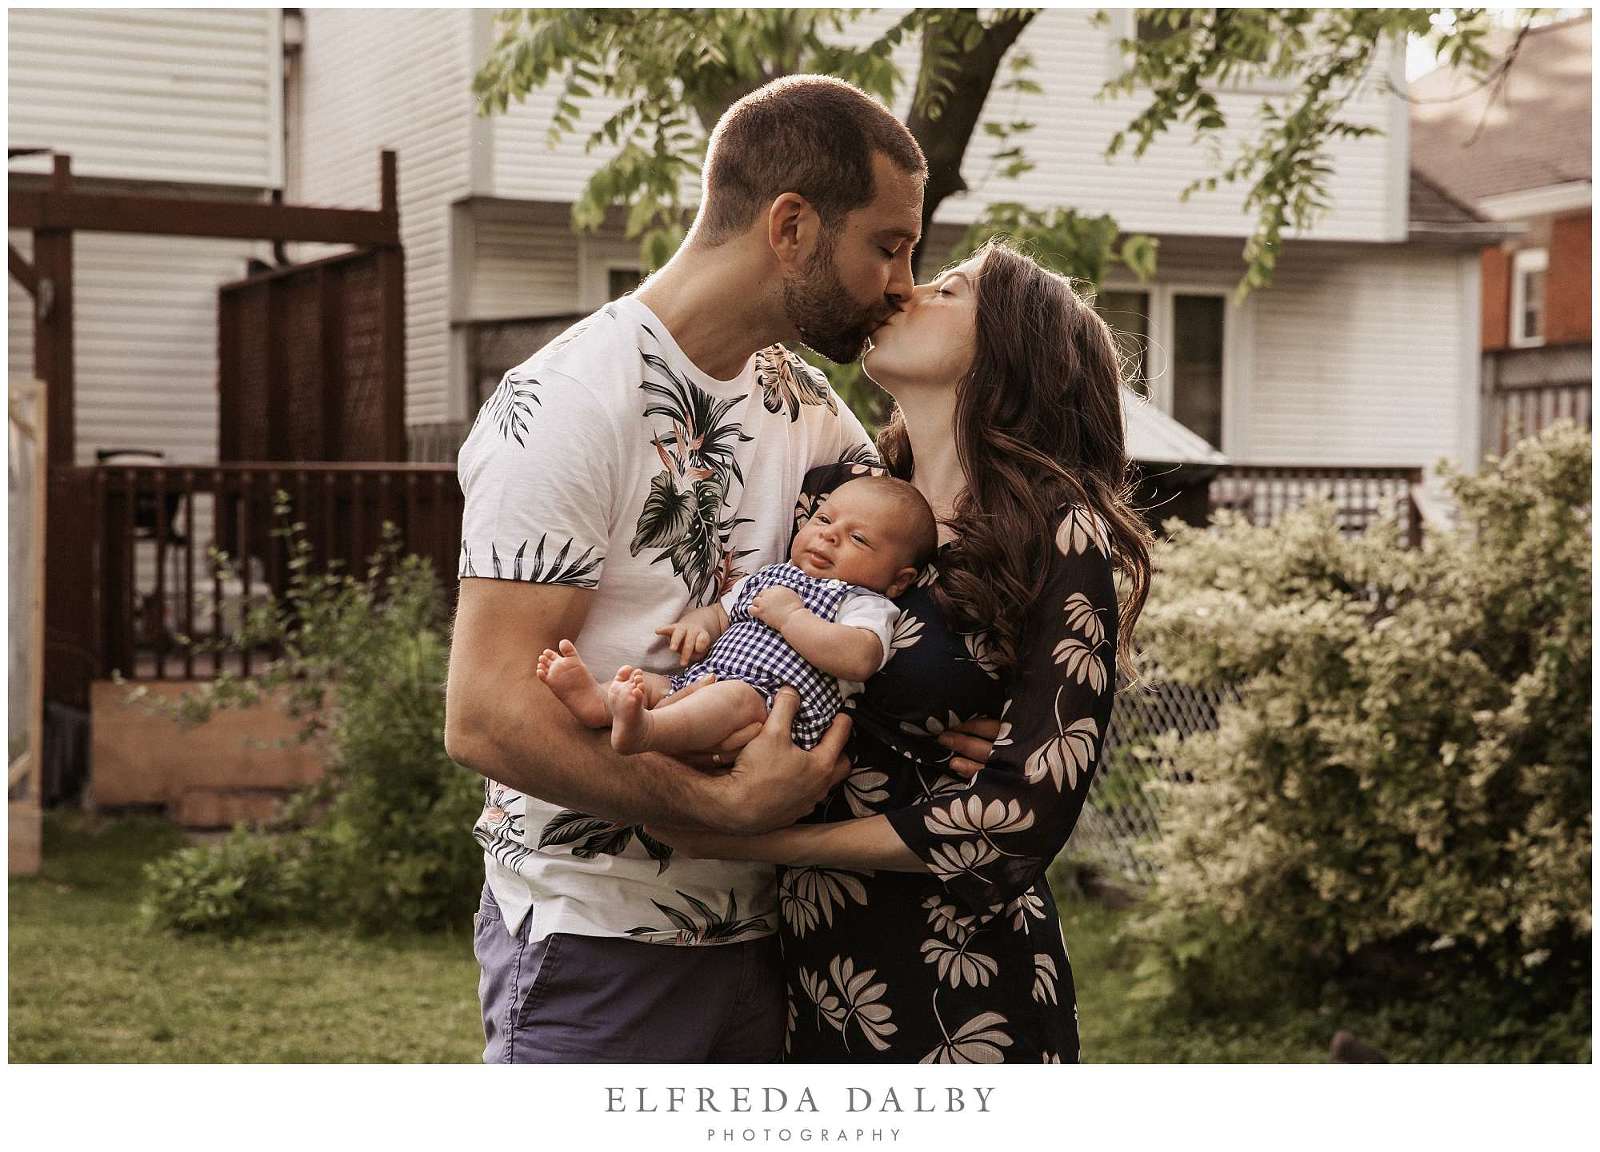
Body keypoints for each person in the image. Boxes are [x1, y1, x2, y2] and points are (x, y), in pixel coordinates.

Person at [445, 76, 999, 1063]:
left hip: (770, 943)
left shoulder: (804, 403)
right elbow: (486, 713)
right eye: (888, 244)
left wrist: (975, 714)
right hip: (601, 949)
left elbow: (916, 585)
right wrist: (720, 808)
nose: (904, 281)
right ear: (790, 226)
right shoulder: (569, 406)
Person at [648, 239, 1155, 1063]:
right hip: (811, 969)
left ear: (1011, 350)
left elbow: (1019, 817)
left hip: (964, 984)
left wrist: (756, 840)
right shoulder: (839, 498)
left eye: (948, 290)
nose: (907, 292)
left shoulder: (1056, 531)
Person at [538, 475, 937, 756]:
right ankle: (598, 702)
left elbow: (859, 658)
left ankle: (648, 731)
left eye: (859, 538)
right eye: (824, 520)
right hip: (705, 681)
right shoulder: (772, 576)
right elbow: (721, 613)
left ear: (899, 582)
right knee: (652, 682)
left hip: (772, 709)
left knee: (732, 698)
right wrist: (696, 626)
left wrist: (791, 618)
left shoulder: (864, 602)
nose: (829, 536)